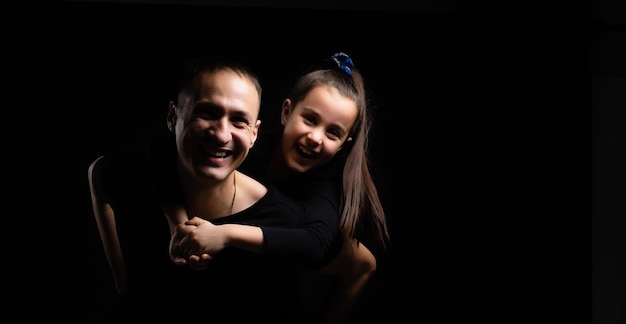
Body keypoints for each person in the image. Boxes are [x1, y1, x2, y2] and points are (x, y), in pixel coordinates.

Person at [164, 52, 390, 323]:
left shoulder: (324, 187)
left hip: (308, 265)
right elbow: (164, 154)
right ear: (286, 112)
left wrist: (226, 234)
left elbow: (317, 244)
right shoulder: (248, 145)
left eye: (333, 133)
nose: (315, 138)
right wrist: (179, 226)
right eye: (309, 119)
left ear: (344, 144)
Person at [88, 56, 313, 323]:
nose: (221, 134)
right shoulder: (129, 175)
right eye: (206, 113)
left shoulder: (283, 219)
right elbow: (96, 173)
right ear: (173, 116)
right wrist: (122, 282)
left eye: (239, 121)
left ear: (254, 134)